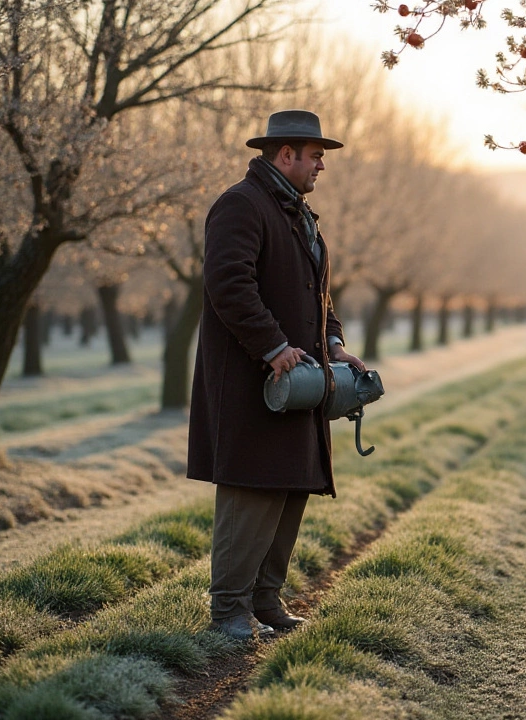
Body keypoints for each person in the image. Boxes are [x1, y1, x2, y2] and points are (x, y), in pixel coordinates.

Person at [188, 109, 365, 641]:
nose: (321, 167)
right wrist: (272, 347)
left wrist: (334, 344)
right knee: (251, 494)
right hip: (252, 383)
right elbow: (228, 285)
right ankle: (228, 612)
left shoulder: (299, 213)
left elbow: (319, 295)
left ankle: (265, 600)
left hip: (299, 382)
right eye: (315, 157)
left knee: (290, 488)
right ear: (284, 155)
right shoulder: (241, 205)